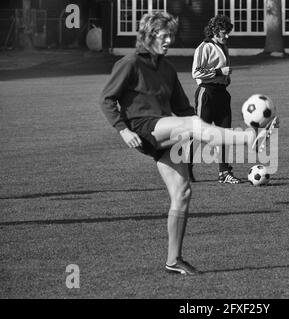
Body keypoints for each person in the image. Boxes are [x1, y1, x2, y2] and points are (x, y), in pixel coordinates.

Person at [99, 12, 277, 275]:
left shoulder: (168, 70)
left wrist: (202, 128)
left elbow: (183, 108)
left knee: (183, 194)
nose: (169, 40)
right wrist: (123, 130)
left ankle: (174, 260)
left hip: (164, 133)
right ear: (148, 36)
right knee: (191, 125)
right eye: (164, 36)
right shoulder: (130, 63)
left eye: (171, 35)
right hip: (141, 128)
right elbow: (106, 99)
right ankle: (250, 137)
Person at [191, 15, 241, 184]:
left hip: (222, 94)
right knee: (198, 134)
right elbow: (196, 72)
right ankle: (186, 167)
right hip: (207, 93)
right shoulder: (204, 47)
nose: (227, 36)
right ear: (214, 30)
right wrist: (220, 72)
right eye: (224, 32)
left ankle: (224, 172)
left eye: (228, 33)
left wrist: (225, 79)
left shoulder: (223, 46)